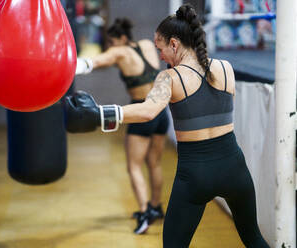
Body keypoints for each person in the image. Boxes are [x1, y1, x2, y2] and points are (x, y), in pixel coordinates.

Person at [65, 4, 270, 247]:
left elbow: (148, 111)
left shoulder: (170, 78)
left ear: (174, 44)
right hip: (235, 169)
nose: (159, 55)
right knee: (254, 239)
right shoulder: (225, 68)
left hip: (196, 175)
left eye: (160, 47)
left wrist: (100, 115)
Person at [75, 18, 169, 234]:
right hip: (160, 111)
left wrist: (72, 65)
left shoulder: (120, 52)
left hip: (140, 112)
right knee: (154, 163)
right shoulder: (147, 44)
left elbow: (96, 61)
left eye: (113, 41)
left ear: (122, 38)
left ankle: (145, 214)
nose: (111, 46)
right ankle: (156, 207)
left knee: (134, 166)